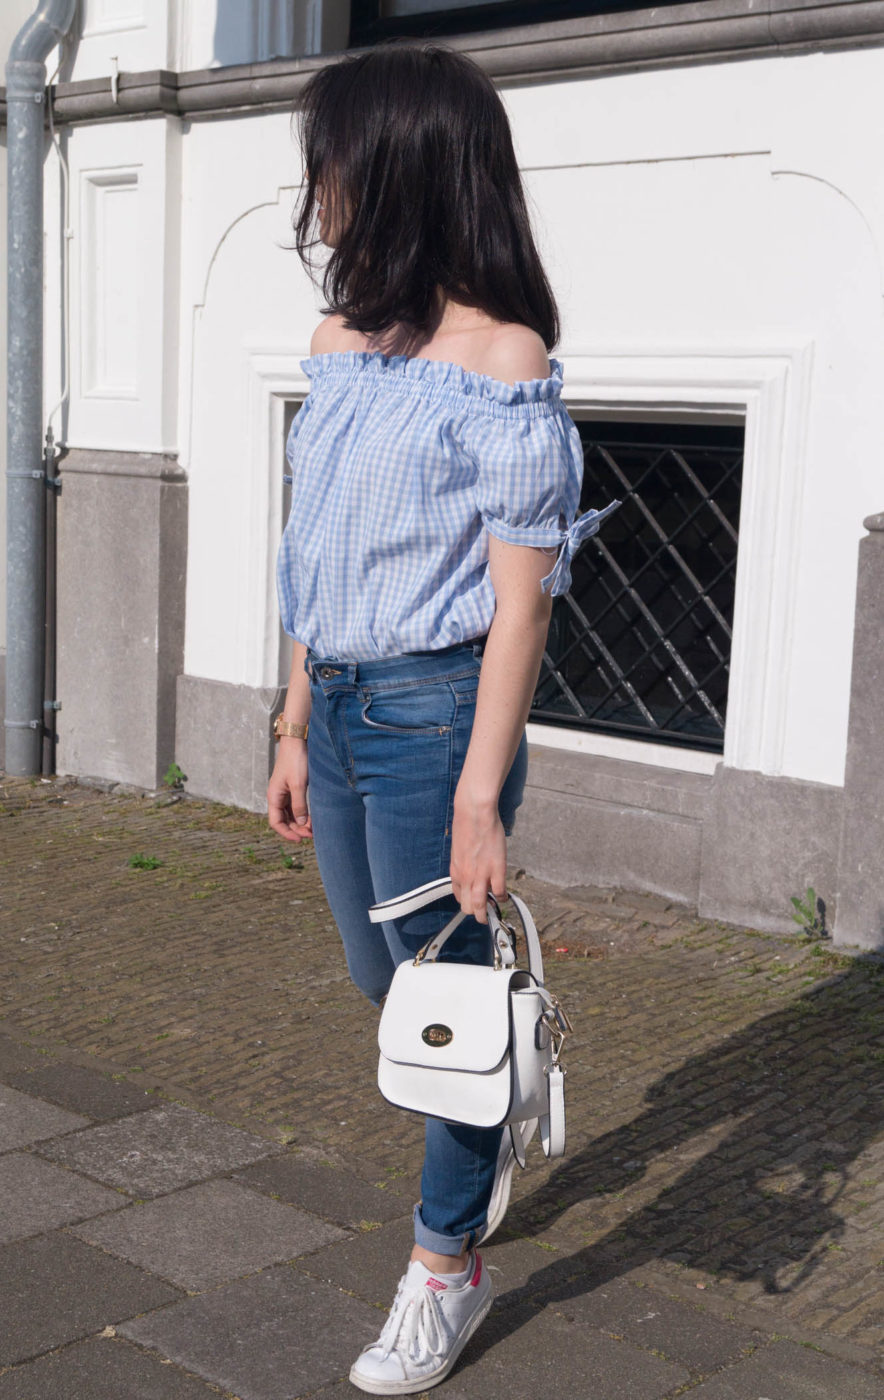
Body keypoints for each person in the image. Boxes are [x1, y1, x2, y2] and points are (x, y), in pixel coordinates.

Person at [267, 40, 617, 1395]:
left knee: (446, 1011)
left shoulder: (504, 361)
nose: (323, 189)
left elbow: (521, 610)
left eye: (337, 161)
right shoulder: (341, 342)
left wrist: (482, 794)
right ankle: (496, 1079)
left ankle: (443, 1267)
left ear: (407, 165)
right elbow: (312, 549)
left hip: (431, 719)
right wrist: (295, 719)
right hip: (344, 711)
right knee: (385, 984)